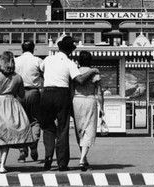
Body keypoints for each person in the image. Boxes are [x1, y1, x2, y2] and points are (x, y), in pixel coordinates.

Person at [38, 36, 100, 171]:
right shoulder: (70, 63)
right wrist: (92, 71)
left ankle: (48, 156)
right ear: (70, 51)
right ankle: (62, 163)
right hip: (62, 94)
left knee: (48, 128)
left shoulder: (48, 59)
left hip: (46, 93)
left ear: (58, 47)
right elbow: (80, 80)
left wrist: (47, 78)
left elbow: (40, 70)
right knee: (62, 128)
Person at [0, 51, 34, 173]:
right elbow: (21, 94)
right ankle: (2, 164)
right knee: (8, 135)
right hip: (11, 104)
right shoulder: (18, 77)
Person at [72, 51, 104, 171]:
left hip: (77, 100)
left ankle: (84, 159)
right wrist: (102, 107)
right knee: (89, 130)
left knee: (80, 129)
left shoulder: (75, 72)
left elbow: (71, 89)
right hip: (90, 100)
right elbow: (99, 92)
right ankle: (82, 159)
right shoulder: (95, 73)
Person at [14, 41, 43, 163]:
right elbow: (44, 74)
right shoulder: (38, 61)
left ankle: (22, 151)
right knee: (35, 120)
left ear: (22, 49)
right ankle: (33, 143)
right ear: (33, 49)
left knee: (21, 121)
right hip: (33, 92)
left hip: (19, 93)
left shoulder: (15, 61)